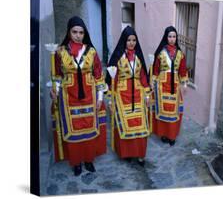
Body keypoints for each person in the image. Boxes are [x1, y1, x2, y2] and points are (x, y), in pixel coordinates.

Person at [50, 16, 107, 176]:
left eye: (81, 32)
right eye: (74, 32)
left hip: (89, 96)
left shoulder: (91, 51)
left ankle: (88, 159)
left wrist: (100, 98)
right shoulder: (60, 52)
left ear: (84, 33)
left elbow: (98, 75)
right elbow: (57, 76)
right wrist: (55, 90)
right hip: (69, 98)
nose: (78, 35)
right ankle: (76, 162)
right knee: (73, 131)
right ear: (68, 32)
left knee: (88, 129)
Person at [105, 26, 151, 166]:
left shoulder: (138, 57)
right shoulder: (118, 57)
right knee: (124, 125)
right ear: (124, 41)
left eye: (134, 40)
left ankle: (141, 154)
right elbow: (113, 78)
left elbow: (143, 76)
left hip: (138, 93)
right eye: (129, 40)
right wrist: (110, 99)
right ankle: (127, 153)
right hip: (122, 94)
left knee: (141, 125)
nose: (131, 43)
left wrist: (147, 95)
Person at [152, 26, 188, 146]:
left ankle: (172, 136)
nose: (172, 39)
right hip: (161, 85)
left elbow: (183, 70)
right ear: (166, 37)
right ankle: (164, 134)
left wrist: (184, 83)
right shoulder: (161, 53)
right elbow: (156, 69)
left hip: (175, 84)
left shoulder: (180, 54)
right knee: (163, 110)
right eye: (170, 36)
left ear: (176, 38)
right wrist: (153, 82)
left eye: (174, 36)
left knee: (174, 111)